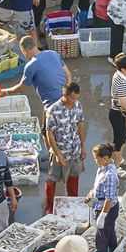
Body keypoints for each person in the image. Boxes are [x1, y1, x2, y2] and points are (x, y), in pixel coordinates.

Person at [1, 36, 71, 138]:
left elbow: (23, 87)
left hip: (52, 105)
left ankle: (52, 149)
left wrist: (6, 91)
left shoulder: (31, 66)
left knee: (49, 134)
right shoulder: (53, 54)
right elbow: (68, 74)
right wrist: (68, 94)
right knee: (66, 131)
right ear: (35, 44)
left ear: (24, 51)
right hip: (68, 100)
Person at [45, 82, 86, 214]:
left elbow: (80, 126)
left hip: (75, 150)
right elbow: (50, 134)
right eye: (72, 98)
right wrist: (57, 154)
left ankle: (73, 203)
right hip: (61, 151)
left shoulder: (78, 106)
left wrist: (83, 146)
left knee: (74, 176)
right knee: (52, 178)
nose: (74, 101)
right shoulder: (53, 110)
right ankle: (49, 206)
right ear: (64, 95)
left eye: (76, 98)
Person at [91, 143, 120, 252]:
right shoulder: (103, 168)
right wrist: (91, 194)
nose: (95, 161)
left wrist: (102, 216)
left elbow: (109, 198)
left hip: (107, 209)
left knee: (101, 237)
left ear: (105, 158)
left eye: (96, 158)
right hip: (103, 205)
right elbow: (98, 186)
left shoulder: (110, 175)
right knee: (110, 232)